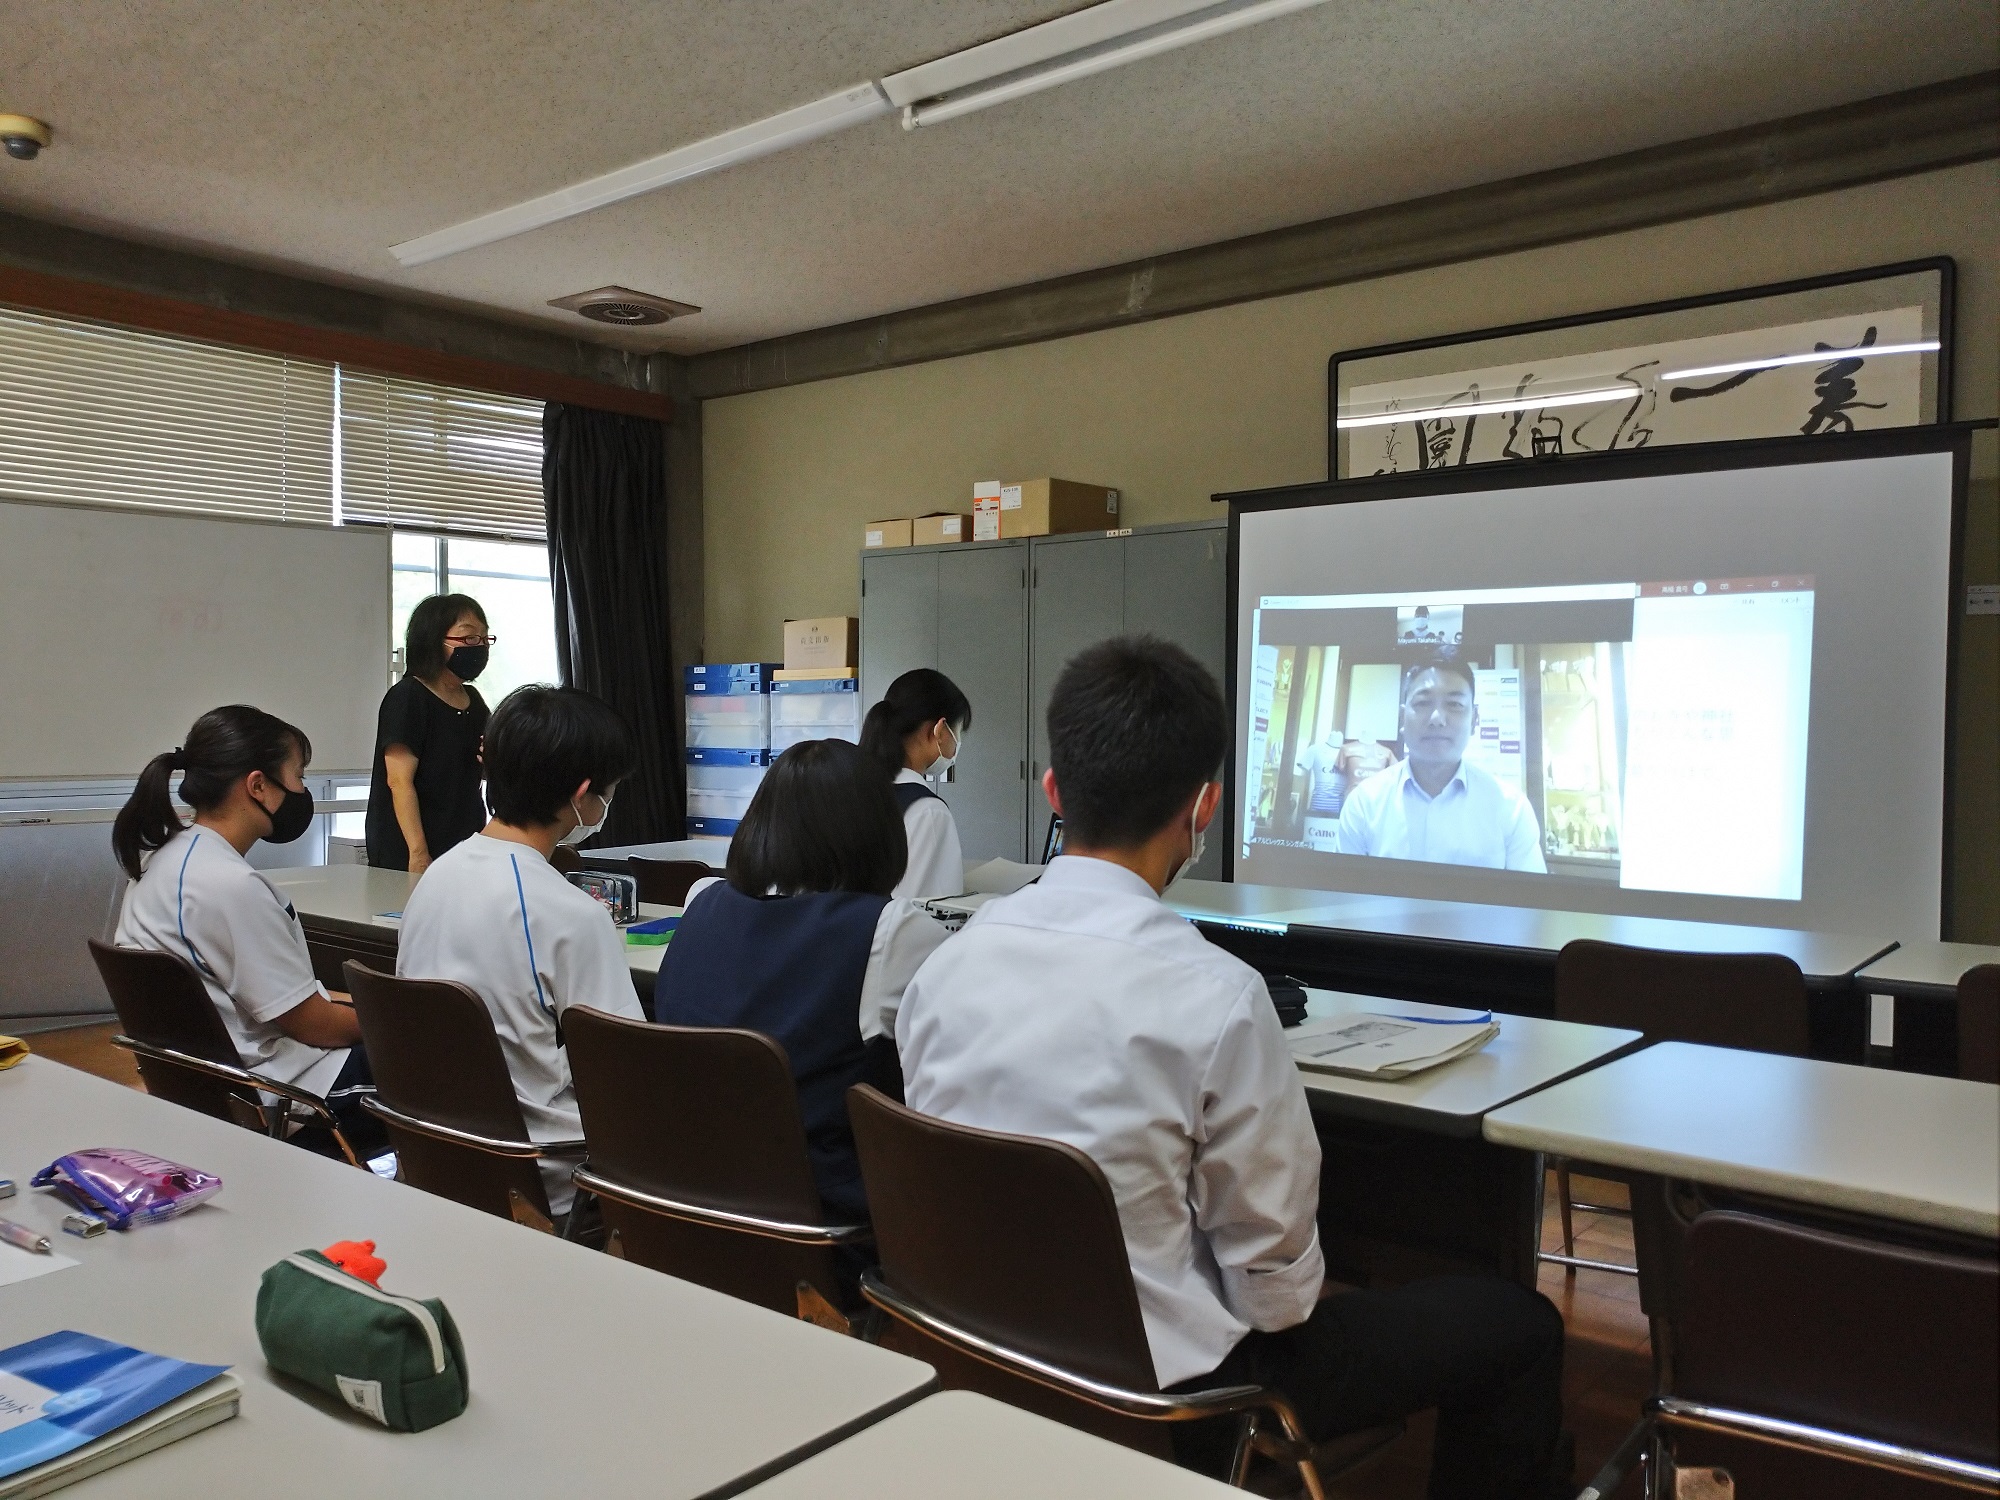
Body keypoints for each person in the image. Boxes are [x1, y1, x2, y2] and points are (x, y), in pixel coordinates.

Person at [898, 637, 1568, 1497]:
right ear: (1204, 808)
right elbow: (1276, 1300)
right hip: (1172, 1397)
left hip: (980, 1353)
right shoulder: (1216, 994)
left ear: (1055, 791)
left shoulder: (943, 969)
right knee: (1517, 1325)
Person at [656, 738, 948, 1221]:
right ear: (877, 831)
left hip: (689, 1204)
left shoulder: (702, 900)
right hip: (825, 1222)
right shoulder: (892, 931)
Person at [396, 685, 643, 1218]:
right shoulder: (569, 914)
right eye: (611, 788)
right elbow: (621, 1075)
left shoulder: (436, 878)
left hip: (438, 1154)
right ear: (582, 796)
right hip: (546, 1168)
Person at [111, 705, 384, 1158]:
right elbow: (312, 1024)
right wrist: (393, 1023)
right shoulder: (230, 886)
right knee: (448, 1064)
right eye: (298, 775)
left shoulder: (162, 862)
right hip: (288, 1095)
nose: (301, 790)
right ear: (258, 785)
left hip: (209, 1089)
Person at [1336, 660, 1547, 872]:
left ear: (1474, 719)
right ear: (1402, 718)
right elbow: (1343, 899)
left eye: (1454, 704)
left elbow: (1530, 901)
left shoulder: (1511, 808)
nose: (1437, 719)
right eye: (1422, 703)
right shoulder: (1364, 803)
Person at [365, 594, 493, 874]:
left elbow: (477, 769)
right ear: (435, 639)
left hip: (464, 844)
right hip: (410, 850)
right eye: (469, 637)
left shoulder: (475, 701)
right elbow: (399, 781)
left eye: (484, 638)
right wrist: (419, 852)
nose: (480, 646)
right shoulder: (408, 696)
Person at [859, 668, 972, 900]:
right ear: (939, 731)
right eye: (957, 732)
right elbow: (928, 914)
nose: (957, 743)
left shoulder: (850, 790)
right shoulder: (927, 811)